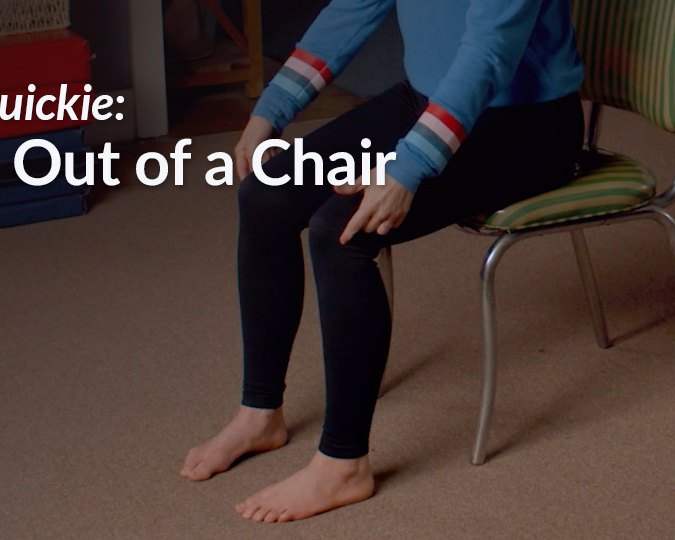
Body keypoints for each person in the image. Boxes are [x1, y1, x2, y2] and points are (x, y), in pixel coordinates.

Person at [179, 0, 586, 523]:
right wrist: (269, 112)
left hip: (525, 123)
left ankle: (343, 466)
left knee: (341, 231)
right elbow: (352, 8)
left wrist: (407, 168)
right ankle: (260, 414)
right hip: (427, 98)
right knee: (266, 194)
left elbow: (488, 54)